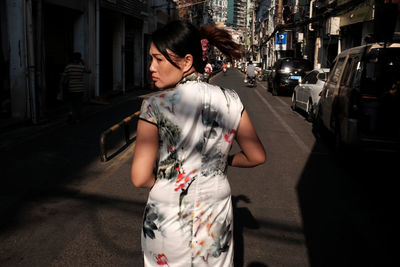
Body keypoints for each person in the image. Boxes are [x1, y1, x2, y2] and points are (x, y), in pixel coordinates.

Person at [131, 20, 266, 266]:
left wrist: (165, 183)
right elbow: (256, 156)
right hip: (216, 214)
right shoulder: (232, 100)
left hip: (167, 217)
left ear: (187, 62)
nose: (151, 67)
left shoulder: (154, 106)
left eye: (159, 59)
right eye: (151, 59)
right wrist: (225, 160)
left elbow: (140, 178)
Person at [59, 52, 90, 123]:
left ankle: (71, 114)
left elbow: (62, 78)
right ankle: (78, 118)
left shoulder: (68, 67)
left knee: (71, 103)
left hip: (71, 88)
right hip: (80, 88)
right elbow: (89, 71)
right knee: (79, 103)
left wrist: (61, 87)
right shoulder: (81, 67)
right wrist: (83, 62)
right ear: (79, 59)